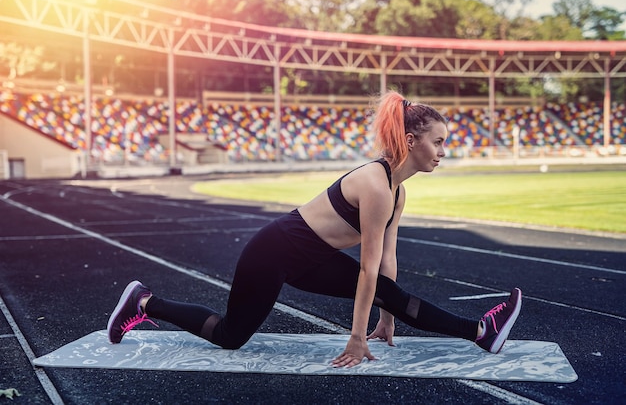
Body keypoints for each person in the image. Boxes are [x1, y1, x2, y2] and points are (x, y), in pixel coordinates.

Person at [107, 90, 522, 368]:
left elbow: (387, 264)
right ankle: (145, 302)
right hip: (273, 251)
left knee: (391, 290)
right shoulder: (376, 185)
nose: (443, 153)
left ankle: (481, 332)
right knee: (231, 336)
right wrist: (356, 337)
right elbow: (367, 271)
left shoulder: (397, 193)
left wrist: (387, 320)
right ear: (412, 140)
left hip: (310, 259)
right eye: (439, 142)